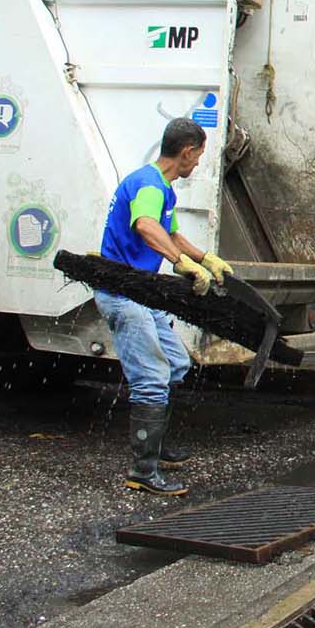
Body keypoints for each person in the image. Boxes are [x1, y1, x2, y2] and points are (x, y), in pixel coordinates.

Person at [95, 118, 233, 496]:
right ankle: (143, 471)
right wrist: (179, 262)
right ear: (187, 152)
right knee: (152, 378)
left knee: (176, 364)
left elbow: (167, 231)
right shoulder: (148, 185)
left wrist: (204, 257)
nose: (199, 163)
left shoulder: (162, 188)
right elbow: (144, 225)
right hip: (123, 296)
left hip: (144, 294)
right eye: (199, 156)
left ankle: (156, 448)